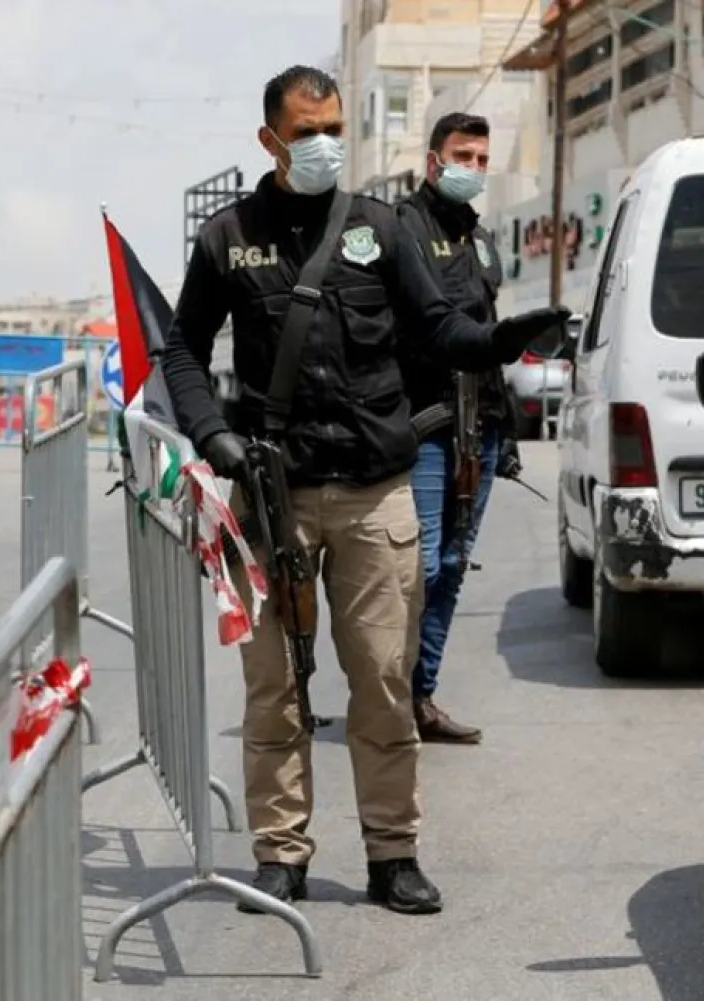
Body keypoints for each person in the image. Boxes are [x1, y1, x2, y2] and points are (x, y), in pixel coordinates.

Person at [160, 64, 569, 916]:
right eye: (305, 132)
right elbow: (183, 353)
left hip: (375, 492)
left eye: (335, 129)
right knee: (273, 687)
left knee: (382, 679)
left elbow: (439, 329)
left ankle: (393, 853)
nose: (322, 146)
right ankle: (281, 855)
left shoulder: (381, 227)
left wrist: (500, 341)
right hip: (270, 495)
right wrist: (214, 436)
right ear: (269, 139)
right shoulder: (227, 237)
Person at [394, 111, 516, 745]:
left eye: (482, 159)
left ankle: (422, 696)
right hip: (429, 423)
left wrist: (509, 434)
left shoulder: (480, 238)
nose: (471, 168)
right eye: (461, 155)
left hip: (483, 423)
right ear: (433, 158)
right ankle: (387, 697)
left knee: (453, 562)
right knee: (418, 568)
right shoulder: (404, 227)